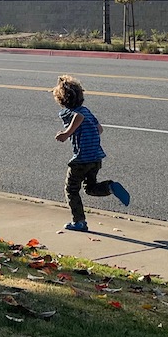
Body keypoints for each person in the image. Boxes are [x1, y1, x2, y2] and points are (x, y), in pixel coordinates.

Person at [52, 74, 130, 232]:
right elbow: (99, 129)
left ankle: (79, 222)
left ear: (61, 100)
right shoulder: (86, 110)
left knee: (71, 189)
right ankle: (109, 187)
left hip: (81, 159)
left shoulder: (68, 112)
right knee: (90, 188)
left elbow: (77, 118)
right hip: (95, 157)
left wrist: (67, 133)